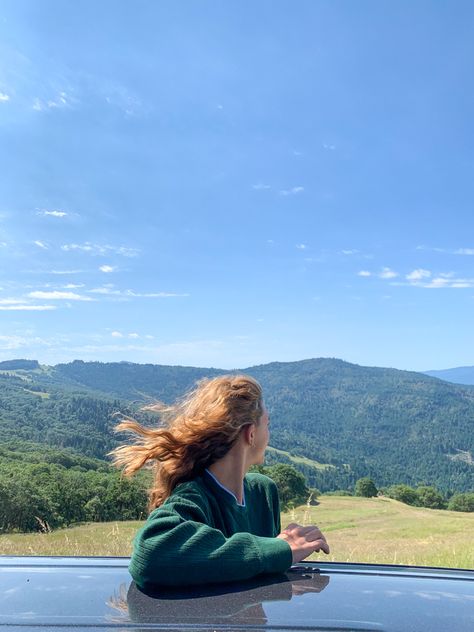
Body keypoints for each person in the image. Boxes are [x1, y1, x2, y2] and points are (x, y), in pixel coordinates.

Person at [111, 374, 329, 589]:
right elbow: (150, 554)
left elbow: (258, 570)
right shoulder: (193, 496)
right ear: (251, 434)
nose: (269, 434)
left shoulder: (263, 492)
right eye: (267, 424)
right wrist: (279, 549)